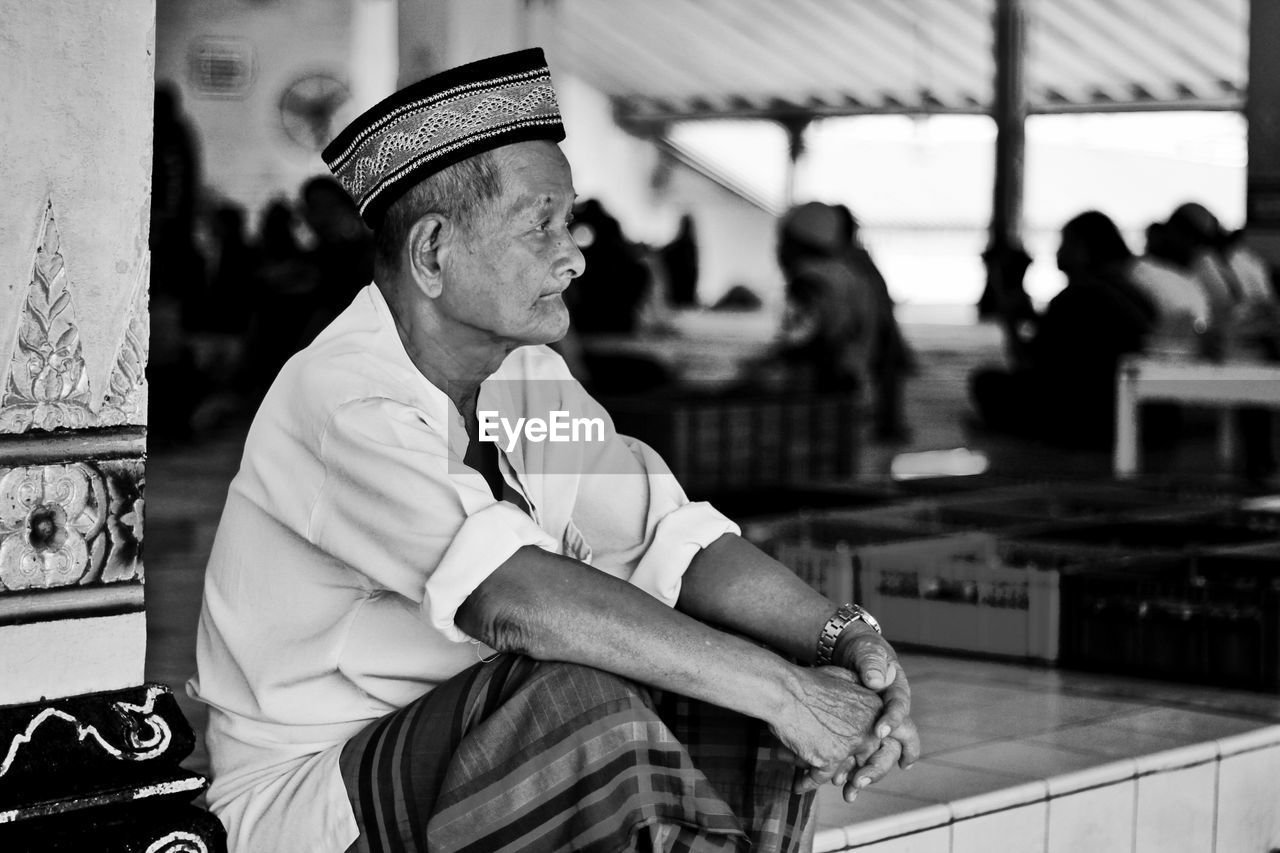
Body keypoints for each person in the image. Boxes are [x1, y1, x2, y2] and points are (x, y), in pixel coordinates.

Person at [188, 49, 918, 853]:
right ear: (432, 253)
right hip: (315, 797)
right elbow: (515, 599)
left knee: (720, 684)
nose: (572, 254)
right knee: (575, 694)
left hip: (463, 743)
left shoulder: (527, 386)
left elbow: (671, 541)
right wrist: (786, 692)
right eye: (541, 224)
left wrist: (842, 640)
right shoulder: (346, 401)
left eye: (568, 222)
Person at [971, 210, 1156, 448]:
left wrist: (1010, 320)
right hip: (1134, 415)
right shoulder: (1131, 290)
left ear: (1082, 248)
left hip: (1087, 418)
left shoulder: (1077, 295)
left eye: (1065, 243)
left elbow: (1030, 364)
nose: (1058, 252)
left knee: (987, 383)